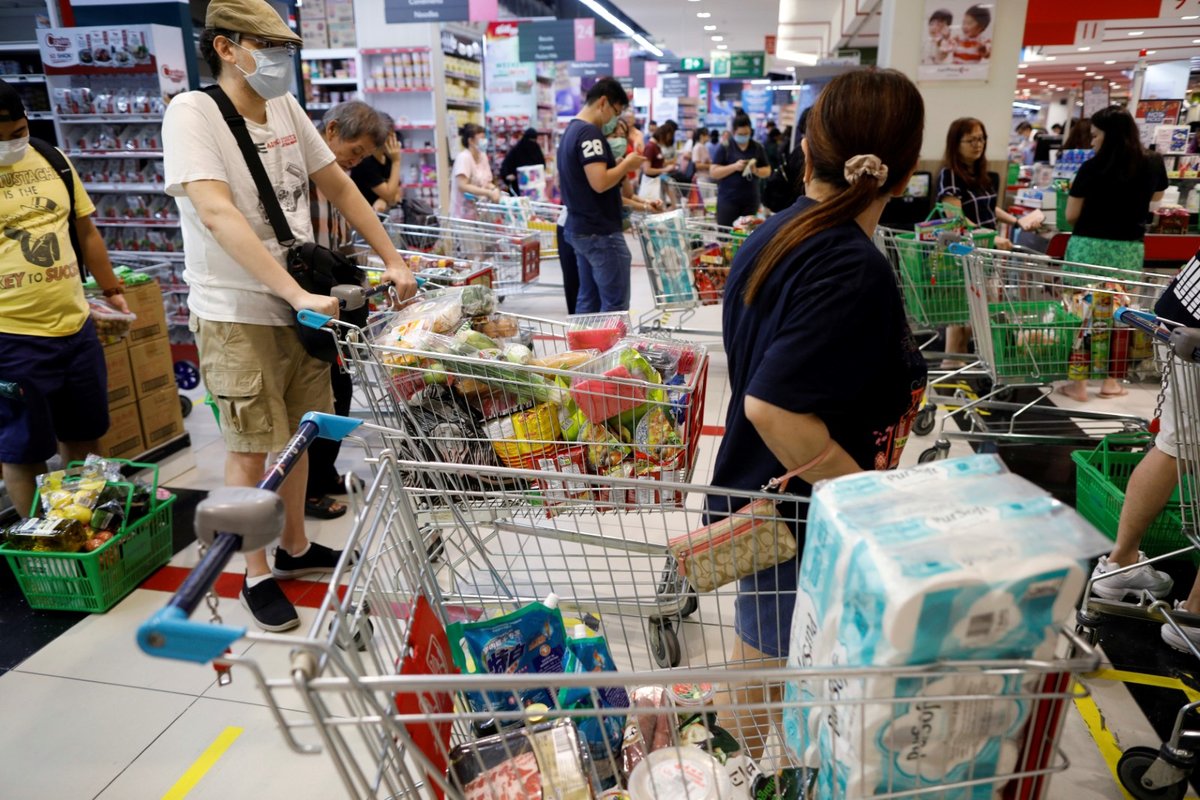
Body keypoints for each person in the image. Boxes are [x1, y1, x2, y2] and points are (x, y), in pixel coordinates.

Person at [164, 0, 417, 632]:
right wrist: (295, 292)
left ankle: (296, 547)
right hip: (236, 311)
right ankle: (254, 573)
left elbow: (338, 185)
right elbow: (218, 214)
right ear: (226, 47)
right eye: (268, 46)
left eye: (285, 49)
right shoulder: (192, 113)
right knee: (251, 448)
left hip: (300, 306)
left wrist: (393, 258)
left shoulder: (285, 107)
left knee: (300, 434)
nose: (280, 60)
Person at [708, 68, 927, 754]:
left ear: (807, 151)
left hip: (763, 502)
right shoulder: (846, 266)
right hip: (795, 519)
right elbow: (773, 407)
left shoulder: (779, 233)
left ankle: (723, 768)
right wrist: (859, 497)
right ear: (907, 170)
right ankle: (717, 778)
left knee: (757, 668)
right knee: (760, 689)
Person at [0, 79, 131, 519]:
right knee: (23, 448)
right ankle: (45, 546)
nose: (10, 144)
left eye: (16, 132)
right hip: (11, 335)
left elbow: (85, 230)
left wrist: (111, 289)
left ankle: (85, 524)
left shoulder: (51, 158)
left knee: (85, 433)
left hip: (75, 326)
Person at [1089, 246, 1200, 652]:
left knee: (1174, 446)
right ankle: (1193, 616)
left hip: (1181, 318)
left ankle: (1120, 563)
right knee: (1176, 446)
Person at [306, 101, 390, 521]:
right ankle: (309, 486)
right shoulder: (303, 176)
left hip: (339, 298)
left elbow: (343, 243)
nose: (356, 161)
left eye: (362, 156)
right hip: (312, 301)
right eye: (354, 150)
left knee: (341, 389)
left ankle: (324, 472)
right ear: (332, 129)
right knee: (322, 395)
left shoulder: (342, 179)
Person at [1060, 105, 1168, 401]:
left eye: (1095, 135)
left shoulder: (1091, 168)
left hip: (1088, 246)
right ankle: (1110, 381)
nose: (1092, 141)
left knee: (1082, 312)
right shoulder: (1152, 163)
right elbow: (1157, 197)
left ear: (1109, 136)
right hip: (1127, 249)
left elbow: (1071, 214)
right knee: (1119, 314)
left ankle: (1078, 385)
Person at [557, 77, 646, 313]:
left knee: (589, 300)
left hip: (580, 228)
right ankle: (614, 350)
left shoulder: (571, 131)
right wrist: (627, 164)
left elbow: (587, 178)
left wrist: (615, 166)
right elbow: (599, 182)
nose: (614, 120)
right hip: (600, 231)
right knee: (615, 305)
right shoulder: (590, 133)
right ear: (604, 102)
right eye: (616, 112)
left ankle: (585, 349)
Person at [710, 114, 771, 228]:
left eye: (746, 134)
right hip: (728, 201)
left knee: (748, 237)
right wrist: (734, 167)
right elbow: (713, 172)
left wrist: (755, 170)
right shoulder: (725, 146)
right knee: (726, 236)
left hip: (750, 201)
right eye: (740, 134)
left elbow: (767, 170)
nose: (744, 136)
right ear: (733, 132)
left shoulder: (757, 147)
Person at [350, 111, 402, 213]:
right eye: (390, 136)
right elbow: (390, 195)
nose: (393, 140)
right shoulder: (365, 162)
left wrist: (383, 200)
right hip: (362, 216)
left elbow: (398, 193)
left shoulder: (387, 158)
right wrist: (397, 161)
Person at [451, 123, 500, 219]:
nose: (484, 141)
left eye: (485, 138)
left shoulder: (483, 156)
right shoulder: (464, 158)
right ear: (471, 141)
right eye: (481, 138)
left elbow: (487, 182)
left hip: (479, 212)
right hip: (463, 214)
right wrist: (488, 193)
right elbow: (462, 185)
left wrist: (494, 189)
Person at [499, 128, 545, 196]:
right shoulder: (516, 150)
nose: (531, 143)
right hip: (517, 187)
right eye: (530, 140)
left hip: (535, 188)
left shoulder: (536, 149)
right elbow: (506, 166)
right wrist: (508, 175)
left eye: (533, 140)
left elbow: (542, 165)